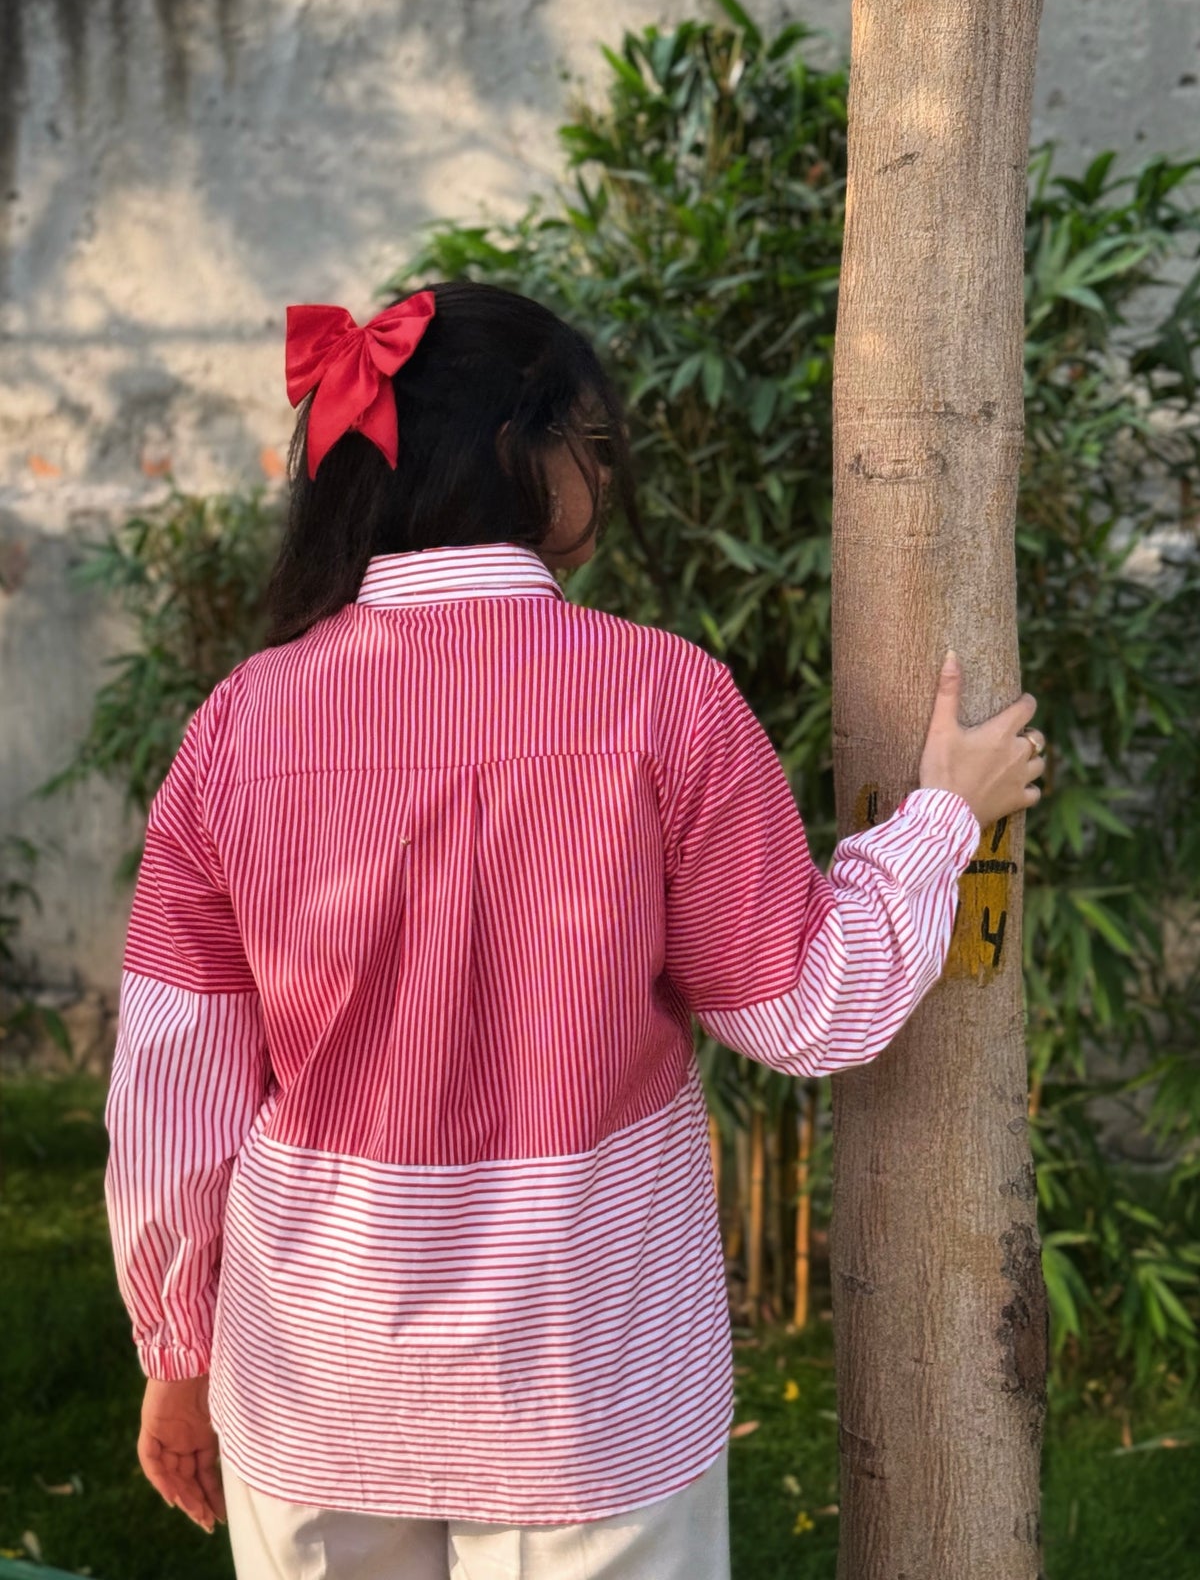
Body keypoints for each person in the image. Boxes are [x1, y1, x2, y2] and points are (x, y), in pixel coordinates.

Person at [103, 280, 1047, 1580]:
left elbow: (173, 1094)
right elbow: (808, 1006)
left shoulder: (239, 725)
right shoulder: (665, 701)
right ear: (521, 451)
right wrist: (945, 817)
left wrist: (177, 1355)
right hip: (587, 1383)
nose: (604, 477)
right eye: (594, 444)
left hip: (316, 1381)